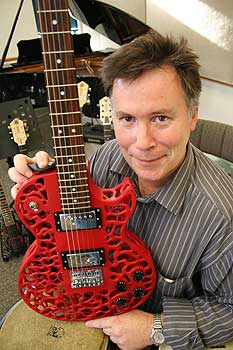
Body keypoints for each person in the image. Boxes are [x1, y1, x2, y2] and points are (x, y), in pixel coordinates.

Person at [8, 30, 233, 350]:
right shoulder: (109, 154)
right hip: (90, 303)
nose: (142, 143)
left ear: (192, 116)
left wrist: (156, 327)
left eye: (160, 118)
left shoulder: (221, 214)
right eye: (127, 118)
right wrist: (43, 187)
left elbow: (230, 309)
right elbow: (74, 221)